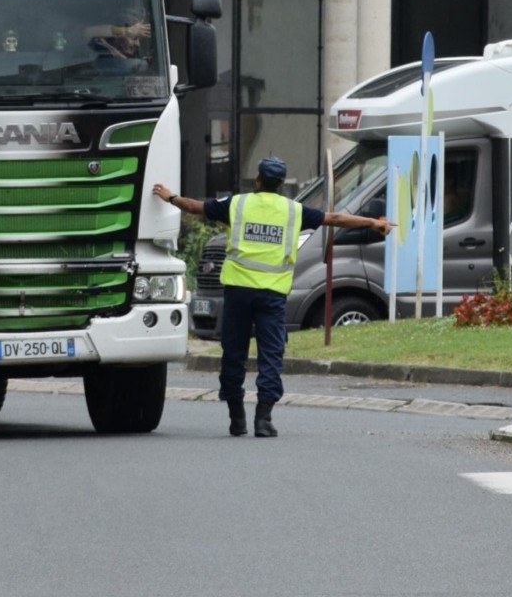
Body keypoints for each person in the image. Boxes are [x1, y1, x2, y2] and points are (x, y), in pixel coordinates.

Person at [153, 158, 394, 438]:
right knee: (271, 356)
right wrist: (373, 223)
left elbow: (195, 207)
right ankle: (263, 420)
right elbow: (335, 219)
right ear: (281, 184)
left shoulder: (237, 204)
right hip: (272, 296)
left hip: (238, 293)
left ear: (257, 179)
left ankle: (236, 418)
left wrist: (169, 196)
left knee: (233, 354)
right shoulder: (293, 211)